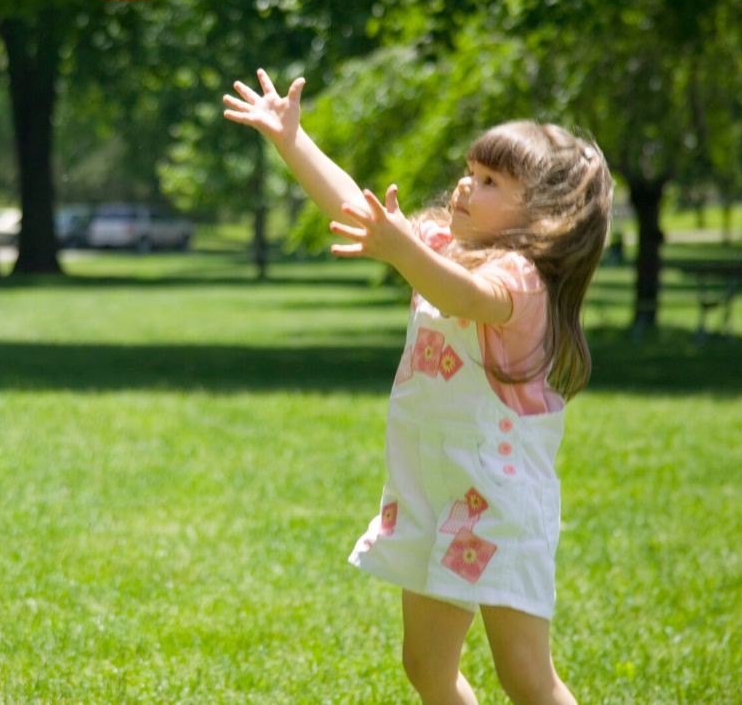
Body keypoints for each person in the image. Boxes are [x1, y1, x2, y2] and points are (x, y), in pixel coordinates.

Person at [223, 69, 613, 705]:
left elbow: (463, 295)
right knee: (425, 666)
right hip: (433, 492)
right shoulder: (439, 245)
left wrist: (404, 250)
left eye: (491, 181)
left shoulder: (522, 279)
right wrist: (292, 140)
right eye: (470, 169)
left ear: (540, 215)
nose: (466, 183)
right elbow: (358, 211)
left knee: (525, 676)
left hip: (499, 504)